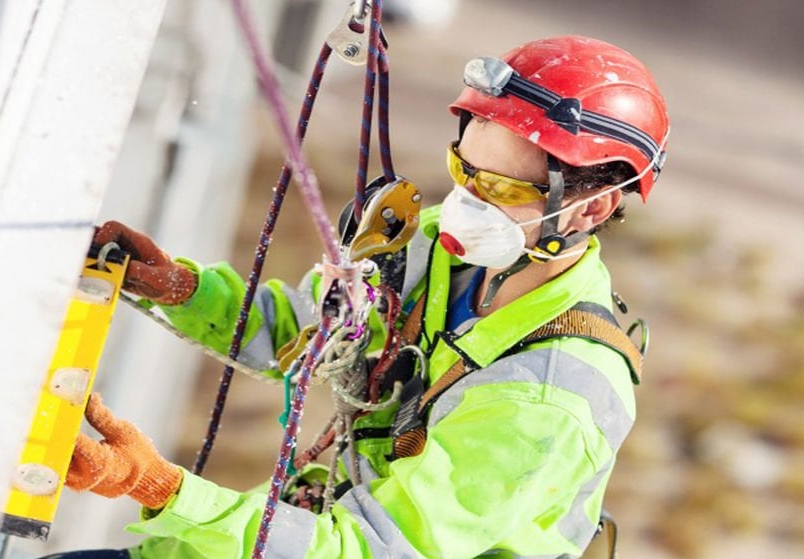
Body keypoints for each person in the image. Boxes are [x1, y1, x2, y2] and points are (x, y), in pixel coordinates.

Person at [53, 35, 670, 558]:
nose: (466, 205)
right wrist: (179, 289)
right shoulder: (445, 253)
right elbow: (309, 332)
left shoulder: (548, 399)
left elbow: (369, 547)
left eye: (502, 189)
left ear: (593, 207)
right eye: (464, 172)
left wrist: (162, 487)